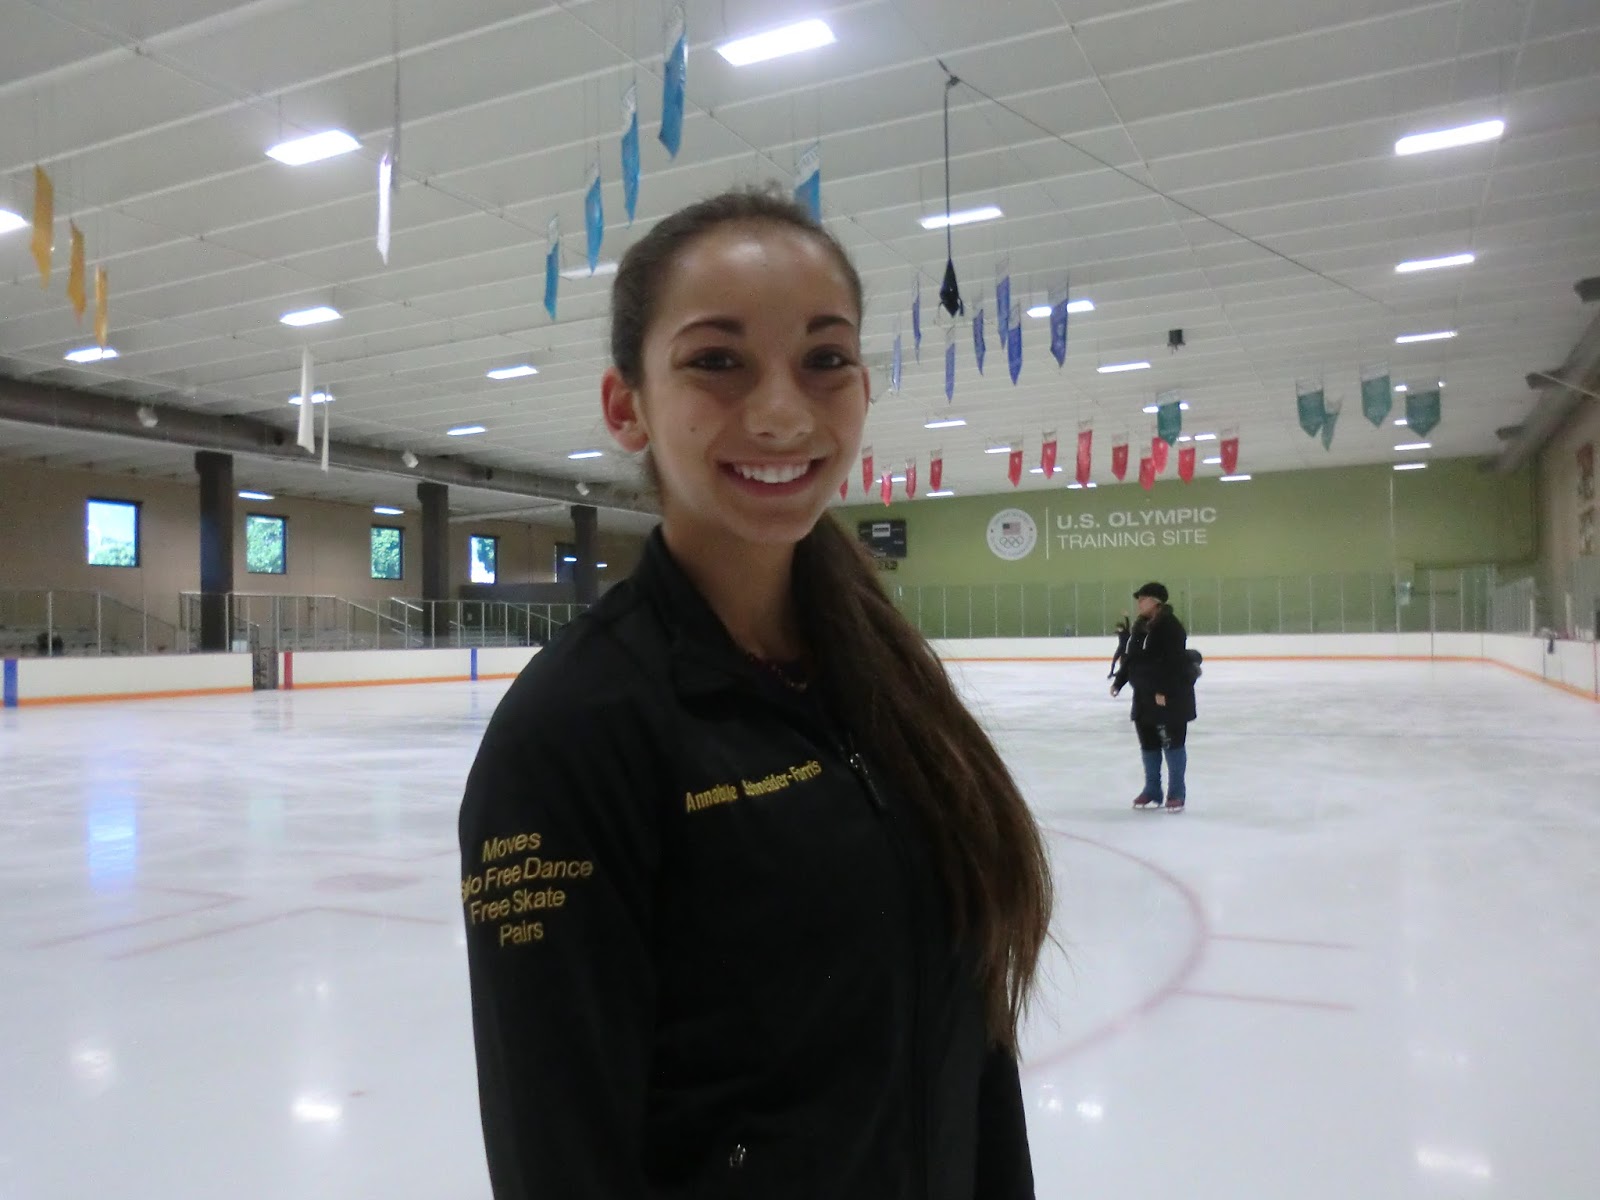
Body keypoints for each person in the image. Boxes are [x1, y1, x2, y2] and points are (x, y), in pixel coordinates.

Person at [459, 187, 1053, 1199]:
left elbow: (972, 1055)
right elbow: (557, 1155)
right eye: (716, 361)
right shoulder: (572, 735)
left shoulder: (889, 681)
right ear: (626, 406)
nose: (782, 413)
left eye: (824, 359)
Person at [1111, 582, 1196, 811]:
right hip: (1144, 697)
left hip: (1169, 698)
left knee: (1172, 744)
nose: (1139, 602)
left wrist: (1163, 691)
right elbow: (1131, 659)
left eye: (1143, 598)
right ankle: (1152, 790)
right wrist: (1119, 681)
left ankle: (1176, 793)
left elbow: (1174, 664)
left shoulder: (1170, 627)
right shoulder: (1140, 627)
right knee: (1148, 744)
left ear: (1157, 601)